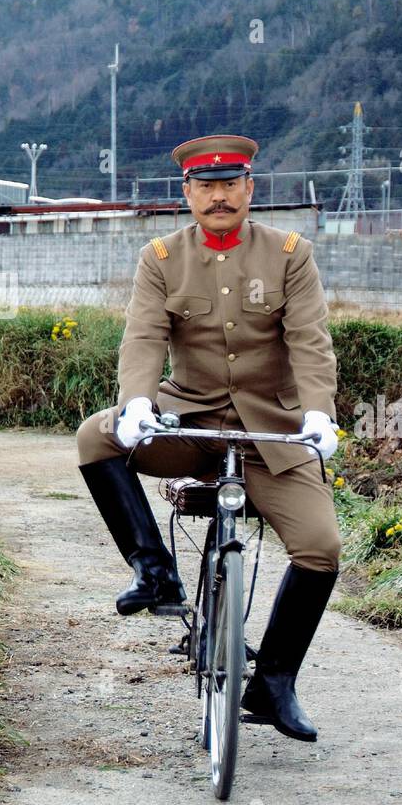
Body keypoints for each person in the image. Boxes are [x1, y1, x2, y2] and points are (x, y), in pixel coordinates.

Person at [75, 133, 342, 741]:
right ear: (187, 193)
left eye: (230, 185)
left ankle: (273, 683)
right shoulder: (162, 259)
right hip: (188, 418)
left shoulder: (290, 253)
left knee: (321, 546)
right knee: (97, 438)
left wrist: (319, 414)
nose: (218, 197)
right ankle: (155, 572)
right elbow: (143, 335)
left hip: (271, 430)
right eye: (206, 186)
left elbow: (309, 339)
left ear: (249, 188)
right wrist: (138, 402)